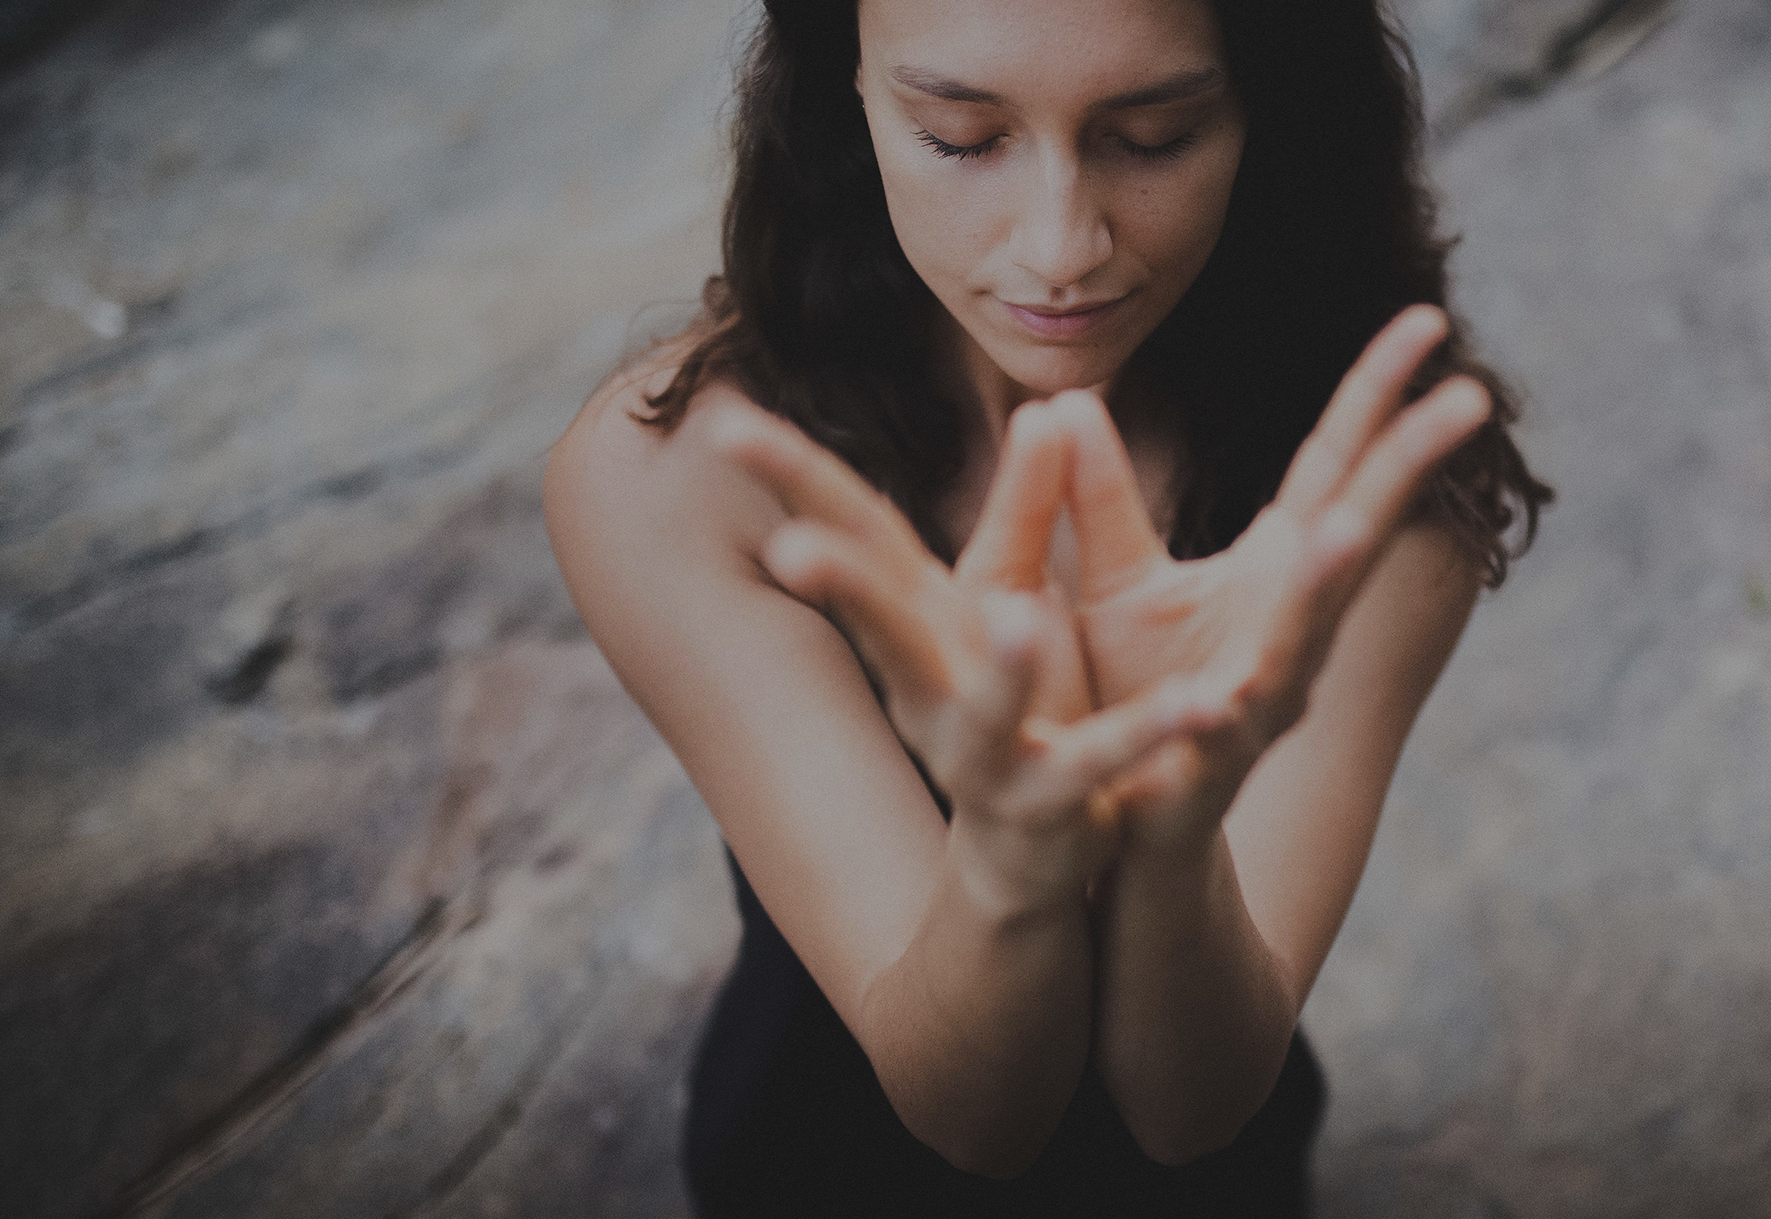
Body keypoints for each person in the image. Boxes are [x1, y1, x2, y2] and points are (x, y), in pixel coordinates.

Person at [542, 0, 1550, 1212]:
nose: (1061, 245)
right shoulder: (683, 473)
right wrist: (1018, 854)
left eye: (1155, 135)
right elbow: (972, 1116)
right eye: (961, 138)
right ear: (845, 91)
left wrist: (1170, 836)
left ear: (1265, 109)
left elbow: (1188, 1113)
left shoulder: (1365, 485)